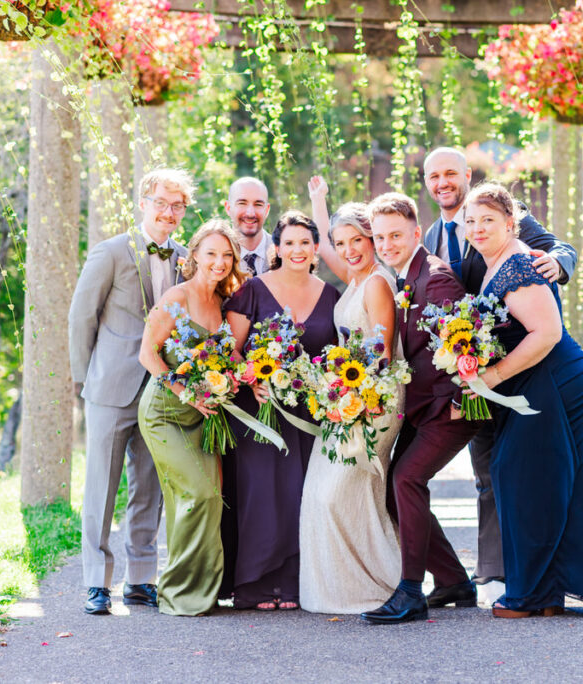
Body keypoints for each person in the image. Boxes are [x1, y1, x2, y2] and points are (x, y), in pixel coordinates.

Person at [421, 146, 579, 592]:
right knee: (487, 469)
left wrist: (560, 263)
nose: (443, 183)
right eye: (434, 176)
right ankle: (494, 567)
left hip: (519, 362)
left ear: (467, 175)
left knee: (523, 468)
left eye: (451, 173)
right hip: (473, 370)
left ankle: (531, 570)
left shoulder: (500, 212)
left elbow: (556, 247)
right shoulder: (432, 236)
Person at [462, 182, 583, 618]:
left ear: (511, 221)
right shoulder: (493, 263)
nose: (477, 228)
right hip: (536, 382)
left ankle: (533, 595)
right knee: (544, 482)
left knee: (526, 479)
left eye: (488, 219)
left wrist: (492, 377)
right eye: (471, 221)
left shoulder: (521, 263)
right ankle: (549, 593)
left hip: (557, 383)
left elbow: (548, 333)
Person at [68, 167, 192, 615]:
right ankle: (95, 582)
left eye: (178, 205)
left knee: (150, 486)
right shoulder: (110, 252)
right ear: (143, 202)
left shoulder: (185, 257)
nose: (169, 212)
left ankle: (140, 578)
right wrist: (84, 380)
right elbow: (81, 317)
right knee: (101, 484)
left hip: (159, 387)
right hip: (109, 386)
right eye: (162, 202)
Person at [359, 192, 478, 625]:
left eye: (396, 235)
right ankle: (453, 580)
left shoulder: (437, 278)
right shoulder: (405, 276)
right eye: (380, 237)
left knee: (407, 478)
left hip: (451, 409)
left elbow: (466, 344)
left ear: (415, 232)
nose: (387, 243)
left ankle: (410, 591)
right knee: (396, 484)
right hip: (421, 407)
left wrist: (456, 403)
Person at [224, 210, 342, 611]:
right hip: (260, 409)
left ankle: (293, 582)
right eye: (289, 243)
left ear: (315, 250)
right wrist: (252, 375)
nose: (297, 250)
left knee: (300, 493)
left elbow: (336, 354)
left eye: (305, 243)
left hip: (309, 413)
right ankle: (255, 583)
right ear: (276, 248)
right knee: (261, 493)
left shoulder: (331, 296)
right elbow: (232, 348)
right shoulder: (252, 291)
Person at [298, 177, 402, 614]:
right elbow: (323, 246)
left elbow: (379, 350)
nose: (348, 250)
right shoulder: (354, 277)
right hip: (345, 395)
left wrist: (348, 391)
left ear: (372, 238)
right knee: (321, 492)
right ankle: (339, 586)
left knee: (345, 490)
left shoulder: (377, 283)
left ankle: (386, 582)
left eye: (357, 239)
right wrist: (318, 202)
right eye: (342, 243)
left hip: (375, 397)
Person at [136, 219, 246, 616]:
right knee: (197, 494)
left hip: (204, 417)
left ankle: (203, 591)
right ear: (195, 254)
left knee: (209, 499)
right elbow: (147, 354)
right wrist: (186, 391)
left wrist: (252, 374)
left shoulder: (223, 302)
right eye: (211, 253)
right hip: (165, 413)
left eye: (226, 255)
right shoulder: (176, 297)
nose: (219, 262)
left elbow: (231, 358)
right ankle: (177, 591)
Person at [225, 177, 273, 276]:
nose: (250, 213)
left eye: (258, 204)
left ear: (267, 210)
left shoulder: (283, 252)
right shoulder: (216, 258)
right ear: (228, 208)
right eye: (242, 203)